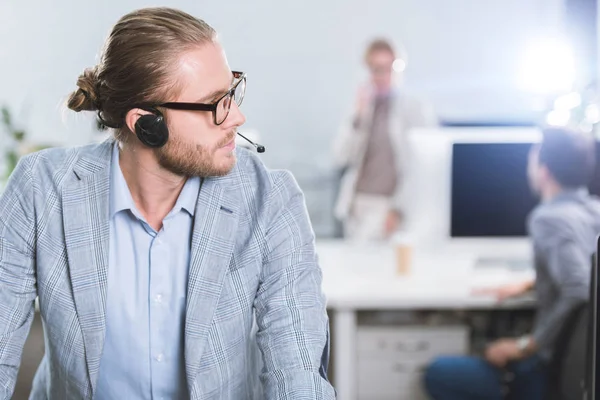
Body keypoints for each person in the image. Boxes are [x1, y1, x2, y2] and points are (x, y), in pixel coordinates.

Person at [0, 7, 335, 400]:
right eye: (215, 104)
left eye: (233, 91)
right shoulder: (41, 190)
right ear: (146, 123)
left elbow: (297, 369)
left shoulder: (269, 200)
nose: (237, 117)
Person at [423, 127, 600, 400]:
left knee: (438, 372)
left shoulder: (548, 219)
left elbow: (579, 287)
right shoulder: (594, 211)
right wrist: (533, 283)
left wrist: (523, 345)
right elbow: (589, 273)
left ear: (544, 170)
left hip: (545, 369)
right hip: (585, 372)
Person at [332, 38, 437, 242]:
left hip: (390, 208)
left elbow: (421, 168)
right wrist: (358, 118)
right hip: (358, 207)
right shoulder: (361, 109)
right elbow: (340, 157)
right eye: (376, 69)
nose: (383, 76)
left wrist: (399, 208)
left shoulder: (414, 110)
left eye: (390, 68)